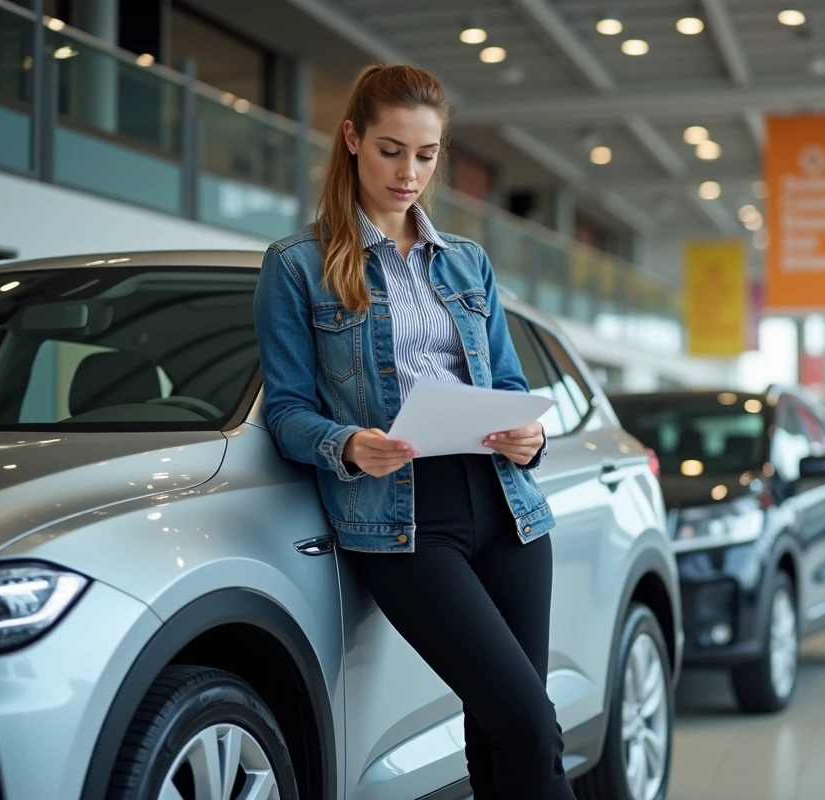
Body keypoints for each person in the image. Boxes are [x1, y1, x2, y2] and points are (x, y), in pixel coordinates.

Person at [253, 63, 576, 800]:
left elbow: (506, 382)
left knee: (499, 735)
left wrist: (527, 435)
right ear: (353, 141)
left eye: (426, 155)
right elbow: (288, 409)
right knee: (530, 724)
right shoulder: (297, 267)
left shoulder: (467, 261)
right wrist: (346, 444)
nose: (410, 173)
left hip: (507, 508)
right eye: (392, 149)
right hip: (402, 522)